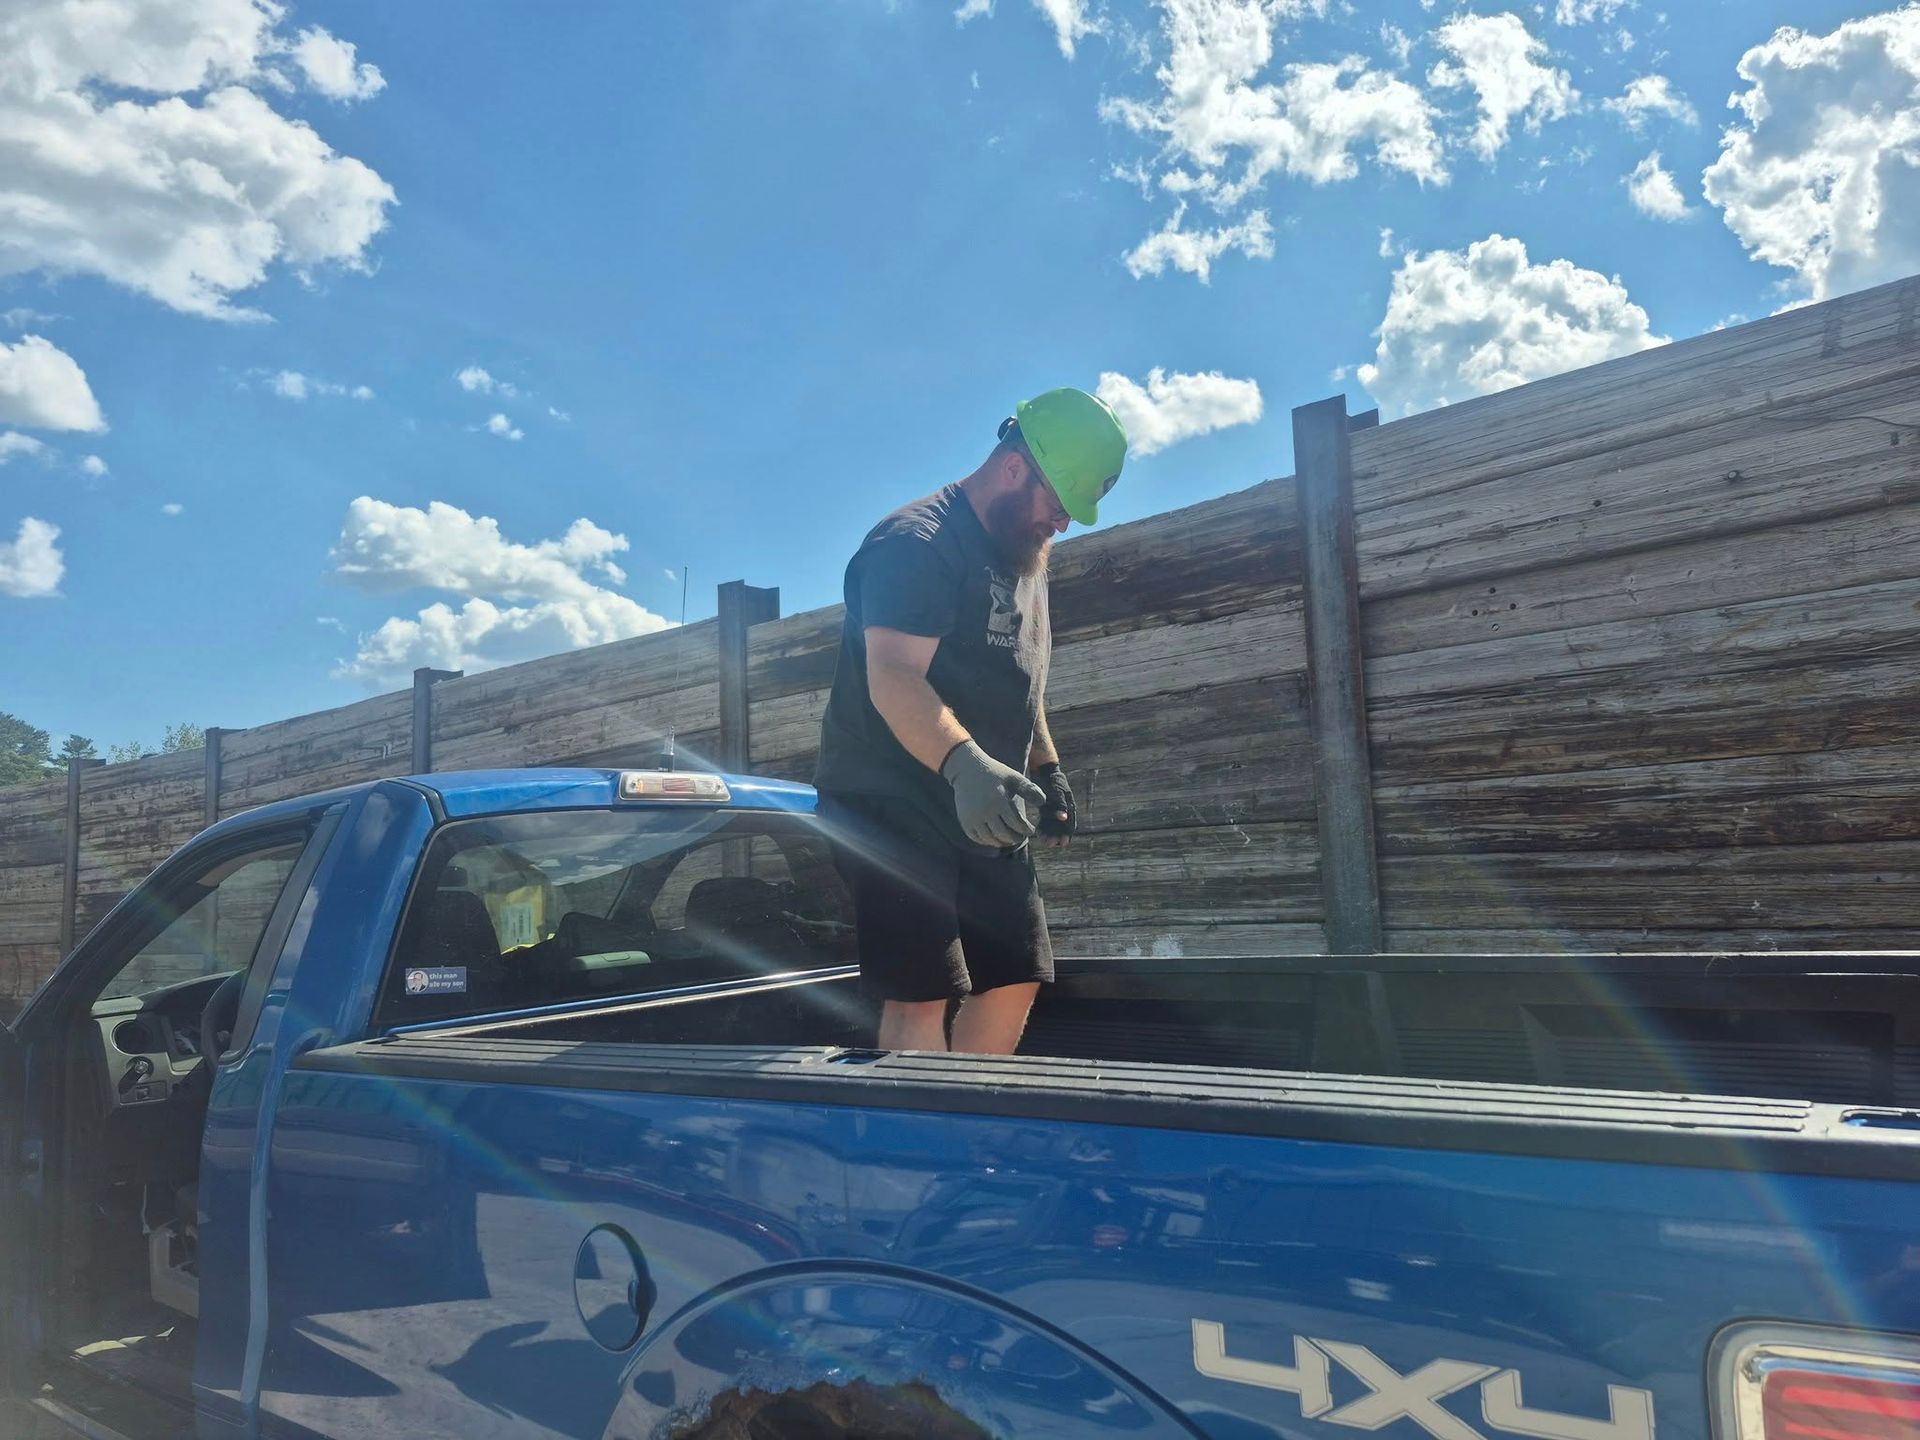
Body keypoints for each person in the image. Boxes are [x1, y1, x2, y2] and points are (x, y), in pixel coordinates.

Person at [813, 388, 1128, 1054]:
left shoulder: (1021, 558)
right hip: (891, 797)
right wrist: (963, 765)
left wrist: (1048, 766)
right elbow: (893, 673)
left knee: (1016, 971)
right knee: (923, 992)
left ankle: (974, 1119)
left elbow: (1018, 681)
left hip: (983, 797)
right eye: (1056, 505)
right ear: (1014, 467)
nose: (1062, 525)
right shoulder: (917, 542)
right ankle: (917, 1147)